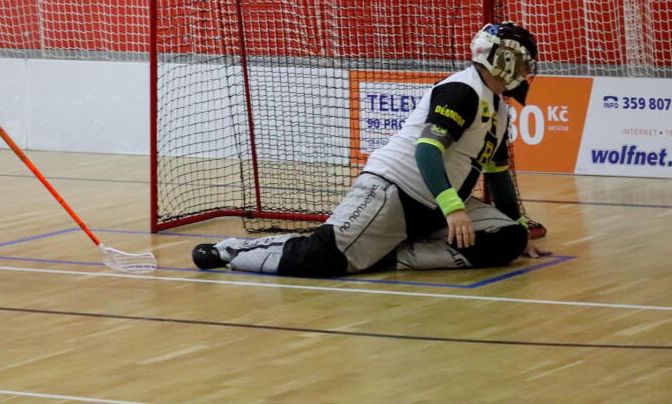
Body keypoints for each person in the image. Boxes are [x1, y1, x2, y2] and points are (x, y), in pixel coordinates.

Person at [192, 22, 546, 276]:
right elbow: (426, 151)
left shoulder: (498, 109)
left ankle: (384, 255)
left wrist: (519, 229)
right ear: (503, 59)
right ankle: (227, 250)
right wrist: (453, 208)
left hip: (437, 204)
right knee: (322, 258)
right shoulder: (462, 91)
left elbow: (498, 174)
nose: (527, 69)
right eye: (523, 61)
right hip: (396, 191)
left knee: (509, 239)